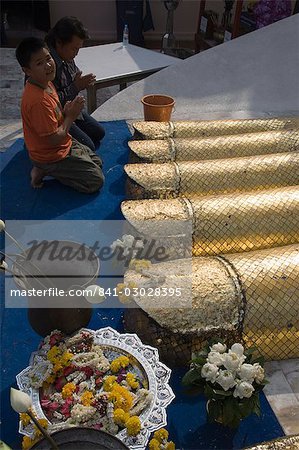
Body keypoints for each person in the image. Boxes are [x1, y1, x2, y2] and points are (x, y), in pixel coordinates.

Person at [16, 37, 104, 193]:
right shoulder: (38, 101)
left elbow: (55, 118)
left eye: (48, 58)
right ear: (27, 71)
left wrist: (65, 111)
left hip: (63, 143)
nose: (48, 65)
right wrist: (70, 116)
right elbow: (52, 139)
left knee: (97, 162)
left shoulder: (46, 82)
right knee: (96, 181)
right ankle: (44, 169)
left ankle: (46, 168)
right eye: (39, 63)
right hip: (50, 154)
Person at [45, 16, 105, 152]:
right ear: (59, 43)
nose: (76, 53)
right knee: (88, 146)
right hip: (57, 117)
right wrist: (76, 86)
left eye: (78, 49)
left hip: (71, 110)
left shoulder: (67, 56)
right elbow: (49, 103)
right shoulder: (47, 65)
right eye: (74, 49)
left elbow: (74, 75)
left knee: (99, 132)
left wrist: (81, 82)